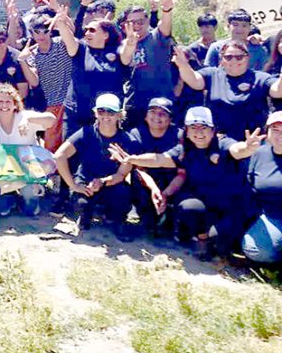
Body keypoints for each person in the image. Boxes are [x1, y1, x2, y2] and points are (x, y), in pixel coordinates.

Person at [110, 106, 262, 260]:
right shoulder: (185, 150)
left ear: (212, 130)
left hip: (233, 206)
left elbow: (237, 150)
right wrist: (131, 159)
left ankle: (222, 237)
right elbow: (159, 159)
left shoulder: (223, 144)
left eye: (204, 127)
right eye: (193, 128)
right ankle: (202, 238)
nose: (199, 132)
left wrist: (248, 148)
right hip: (208, 204)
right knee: (188, 206)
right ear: (187, 132)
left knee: (223, 247)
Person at [53, 93, 137, 241]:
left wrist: (103, 182)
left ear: (119, 115)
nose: (105, 116)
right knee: (81, 203)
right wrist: (73, 185)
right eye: (101, 111)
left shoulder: (127, 140)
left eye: (110, 112)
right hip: (86, 182)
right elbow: (59, 156)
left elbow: (122, 175)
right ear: (95, 113)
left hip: (111, 183)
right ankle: (86, 216)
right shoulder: (86, 133)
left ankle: (114, 220)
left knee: (124, 196)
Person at [173, 41, 282, 140]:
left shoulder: (260, 78)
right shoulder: (212, 75)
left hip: (254, 141)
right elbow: (194, 81)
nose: (234, 61)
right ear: (222, 59)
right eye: (228, 57)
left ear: (247, 57)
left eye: (239, 57)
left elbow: (278, 91)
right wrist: (183, 65)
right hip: (219, 141)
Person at [52, 6, 127, 136]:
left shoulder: (118, 53)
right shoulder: (80, 48)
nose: (87, 33)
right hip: (76, 113)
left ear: (105, 34)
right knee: (70, 154)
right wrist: (61, 23)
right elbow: (68, 39)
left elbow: (128, 53)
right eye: (86, 30)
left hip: (105, 115)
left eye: (92, 30)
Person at [0, 83, 56, 217]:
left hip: (29, 168)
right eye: (0, 101)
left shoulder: (25, 116)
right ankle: (5, 203)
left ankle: (30, 197)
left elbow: (51, 120)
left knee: (30, 209)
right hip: (5, 168)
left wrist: (28, 119)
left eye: (8, 101)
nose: (4, 105)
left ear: (15, 104)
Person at [118, 0, 175, 128]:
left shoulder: (157, 37)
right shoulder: (124, 44)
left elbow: (165, 25)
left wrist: (166, 10)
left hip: (161, 104)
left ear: (148, 21)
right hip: (135, 104)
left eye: (140, 21)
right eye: (132, 22)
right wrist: (131, 43)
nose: (137, 26)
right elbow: (125, 59)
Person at [128, 98, 181, 233]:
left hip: (172, 184)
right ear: (146, 116)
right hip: (147, 182)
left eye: (163, 113)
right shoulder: (136, 134)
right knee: (149, 225)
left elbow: (183, 173)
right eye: (153, 112)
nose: (157, 116)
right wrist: (153, 189)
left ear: (170, 119)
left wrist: (166, 193)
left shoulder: (179, 136)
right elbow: (138, 169)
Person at [21, 14, 72, 151]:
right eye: (37, 32)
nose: (41, 35)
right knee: (51, 145)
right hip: (51, 104)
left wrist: (61, 19)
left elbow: (73, 35)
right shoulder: (32, 54)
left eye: (45, 31)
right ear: (31, 33)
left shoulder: (61, 43)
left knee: (70, 143)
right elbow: (34, 82)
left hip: (70, 102)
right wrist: (22, 61)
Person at [242, 110, 282, 264]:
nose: (280, 135)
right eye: (275, 130)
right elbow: (249, 185)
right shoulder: (259, 153)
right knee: (255, 249)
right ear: (268, 132)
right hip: (268, 216)